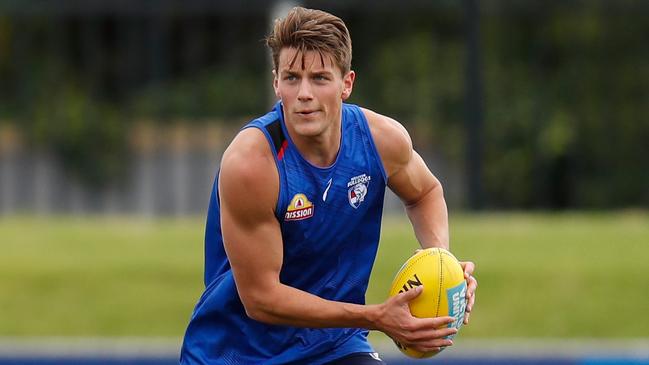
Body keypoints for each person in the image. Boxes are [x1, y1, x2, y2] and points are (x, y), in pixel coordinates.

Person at [180, 6, 477, 365]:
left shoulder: (381, 140)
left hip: (335, 347)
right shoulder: (251, 163)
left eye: (320, 78)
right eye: (291, 78)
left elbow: (426, 193)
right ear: (276, 83)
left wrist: (440, 263)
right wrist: (376, 316)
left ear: (346, 84)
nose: (304, 93)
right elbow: (261, 299)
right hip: (237, 353)